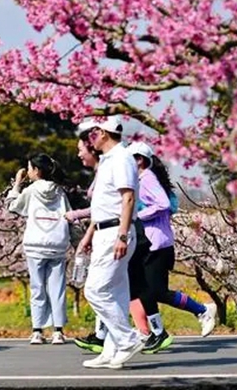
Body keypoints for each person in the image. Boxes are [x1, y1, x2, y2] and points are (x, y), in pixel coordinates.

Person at [67, 132, 172, 355]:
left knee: (104, 290)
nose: (78, 154)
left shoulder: (132, 171)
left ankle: (131, 336)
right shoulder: (105, 169)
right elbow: (102, 209)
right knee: (118, 289)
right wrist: (85, 230)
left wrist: (126, 230)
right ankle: (108, 343)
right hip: (112, 233)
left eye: (81, 149)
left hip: (135, 238)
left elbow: (128, 203)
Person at [127, 142, 217, 342]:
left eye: (129, 158)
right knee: (141, 289)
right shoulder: (141, 179)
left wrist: (138, 215)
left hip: (156, 243)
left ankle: (202, 310)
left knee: (156, 291)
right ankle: (152, 333)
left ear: (139, 160)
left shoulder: (147, 178)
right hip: (147, 242)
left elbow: (165, 204)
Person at [76, 115, 146, 369]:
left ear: (104, 134)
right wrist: (91, 234)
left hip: (116, 231)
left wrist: (122, 236)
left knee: (94, 290)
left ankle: (128, 339)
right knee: (116, 294)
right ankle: (111, 350)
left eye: (93, 133)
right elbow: (103, 204)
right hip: (106, 231)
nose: (90, 138)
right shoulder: (109, 160)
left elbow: (128, 198)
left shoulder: (121, 159)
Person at [7, 154, 71, 345]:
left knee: (37, 287)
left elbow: (13, 206)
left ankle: (37, 331)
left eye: (29, 168)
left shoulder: (31, 190)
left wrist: (17, 184)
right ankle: (58, 331)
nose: (27, 171)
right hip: (57, 244)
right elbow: (69, 216)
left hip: (35, 245)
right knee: (57, 288)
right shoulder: (60, 192)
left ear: (36, 171)